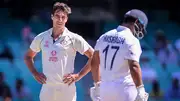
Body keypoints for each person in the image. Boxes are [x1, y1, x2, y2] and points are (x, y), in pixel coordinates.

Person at [24, 2, 94, 101]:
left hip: (66, 89)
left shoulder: (74, 38)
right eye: (57, 16)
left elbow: (94, 56)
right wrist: (34, 73)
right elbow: (28, 56)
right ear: (52, 16)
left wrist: (78, 75)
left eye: (63, 17)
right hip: (47, 88)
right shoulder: (42, 37)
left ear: (66, 19)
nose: (60, 19)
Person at [90, 9, 149, 101]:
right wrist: (140, 89)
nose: (140, 30)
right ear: (137, 22)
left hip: (105, 89)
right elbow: (134, 66)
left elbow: (94, 63)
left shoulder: (104, 36)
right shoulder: (132, 40)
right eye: (141, 26)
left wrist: (97, 85)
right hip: (124, 89)